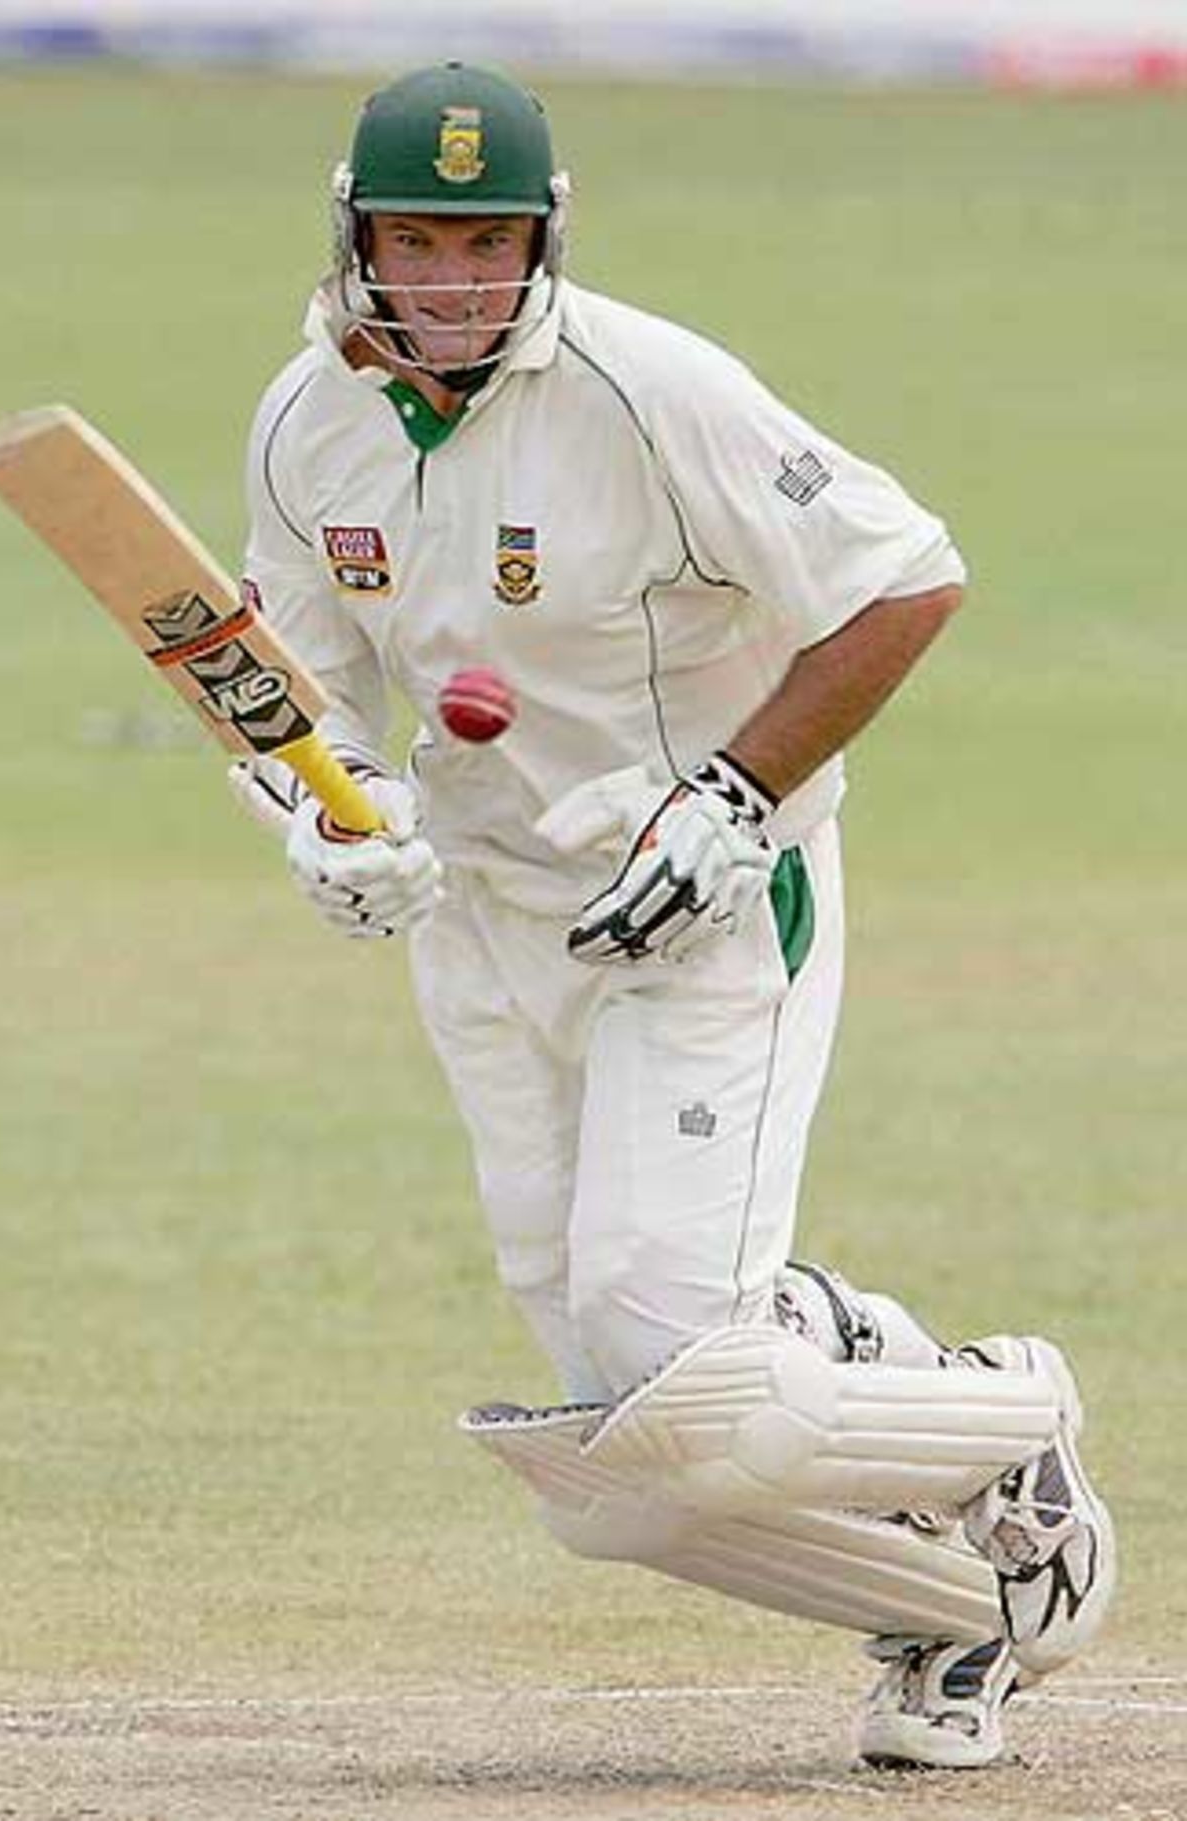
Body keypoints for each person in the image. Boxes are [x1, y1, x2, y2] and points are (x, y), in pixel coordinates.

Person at [231, 62, 1115, 1770]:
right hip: (483, 922)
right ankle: (951, 1592)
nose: (454, 285)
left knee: (670, 1374)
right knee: (622, 1450)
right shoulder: (301, 424)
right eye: (419, 242)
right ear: (360, 243)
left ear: (544, 246)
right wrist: (325, 826)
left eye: (488, 246)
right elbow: (289, 695)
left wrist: (733, 794)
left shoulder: (651, 392)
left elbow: (904, 573)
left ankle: (1013, 1422)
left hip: (700, 906)